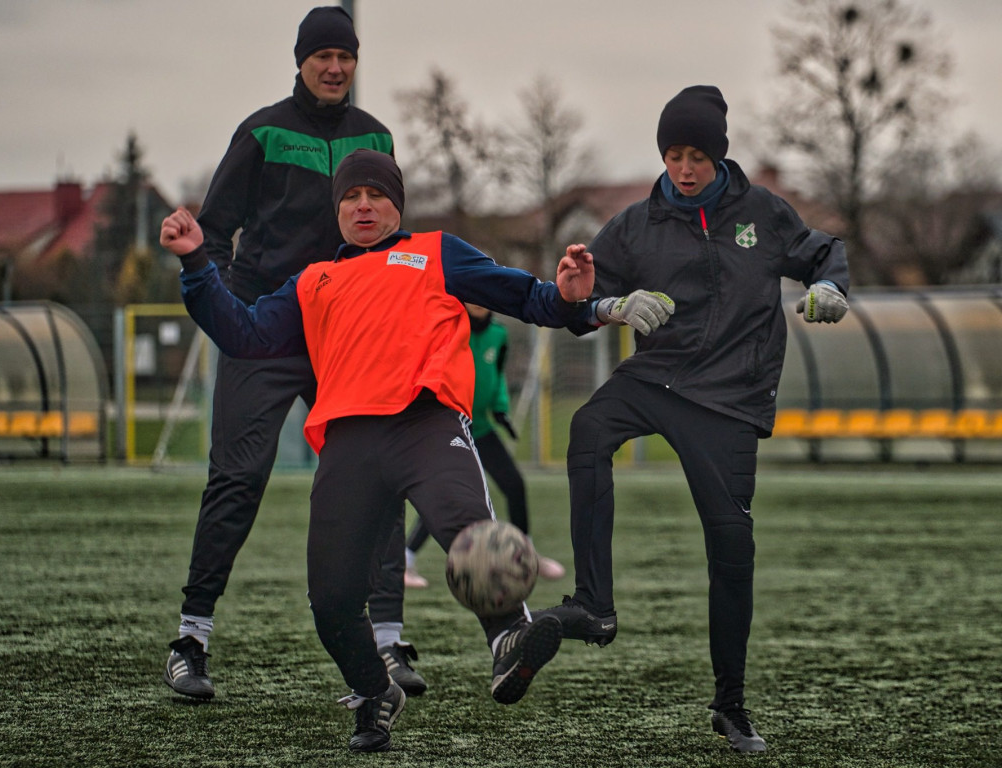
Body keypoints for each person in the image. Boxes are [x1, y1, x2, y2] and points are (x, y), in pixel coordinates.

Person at [160, 148, 673, 752]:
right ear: (338, 211)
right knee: (331, 602)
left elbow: (530, 299)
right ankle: (375, 691)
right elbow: (243, 334)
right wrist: (196, 261)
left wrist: (567, 296)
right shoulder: (314, 280)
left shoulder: (436, 251)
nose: (363, 205)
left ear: (396, 204)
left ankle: (510, 638)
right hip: (347, 442)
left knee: (472, 534)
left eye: (376, 194)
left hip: (425, 424)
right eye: (351, 197)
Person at [535, 85, 850, 754]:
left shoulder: (763, 213)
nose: (683, 169)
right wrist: (606, 300)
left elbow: (823, 253)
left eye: (697, 156)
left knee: (731, 548)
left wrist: (829, 285)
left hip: (731, 397)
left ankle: (731, 704)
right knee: (588, 430)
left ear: (719, 157)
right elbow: (581, 304)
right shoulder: (634, 224)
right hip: (657, 377)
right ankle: (593, 604)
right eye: (673, 154)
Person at [162, 6, 427, 703]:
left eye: (345, 55)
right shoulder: (262, 131)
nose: (334, 67)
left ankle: (389, 645)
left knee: (378, 474)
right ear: (301, 61)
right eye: (322, 56)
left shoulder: (376, 135)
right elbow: (213, 233)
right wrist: (227, 308)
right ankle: (191, 640)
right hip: (268, 327)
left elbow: (390, 231)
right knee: (239, 476)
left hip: (346, 334)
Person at [403, 304, 566, 589]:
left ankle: (524, 554)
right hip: (450, 428)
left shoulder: (498, 334)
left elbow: (498, 375)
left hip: (481, 428)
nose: (477, 300)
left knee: (514, 485)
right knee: (443, 495)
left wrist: (501, 409)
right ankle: (406, 560)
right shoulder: (449, 328)